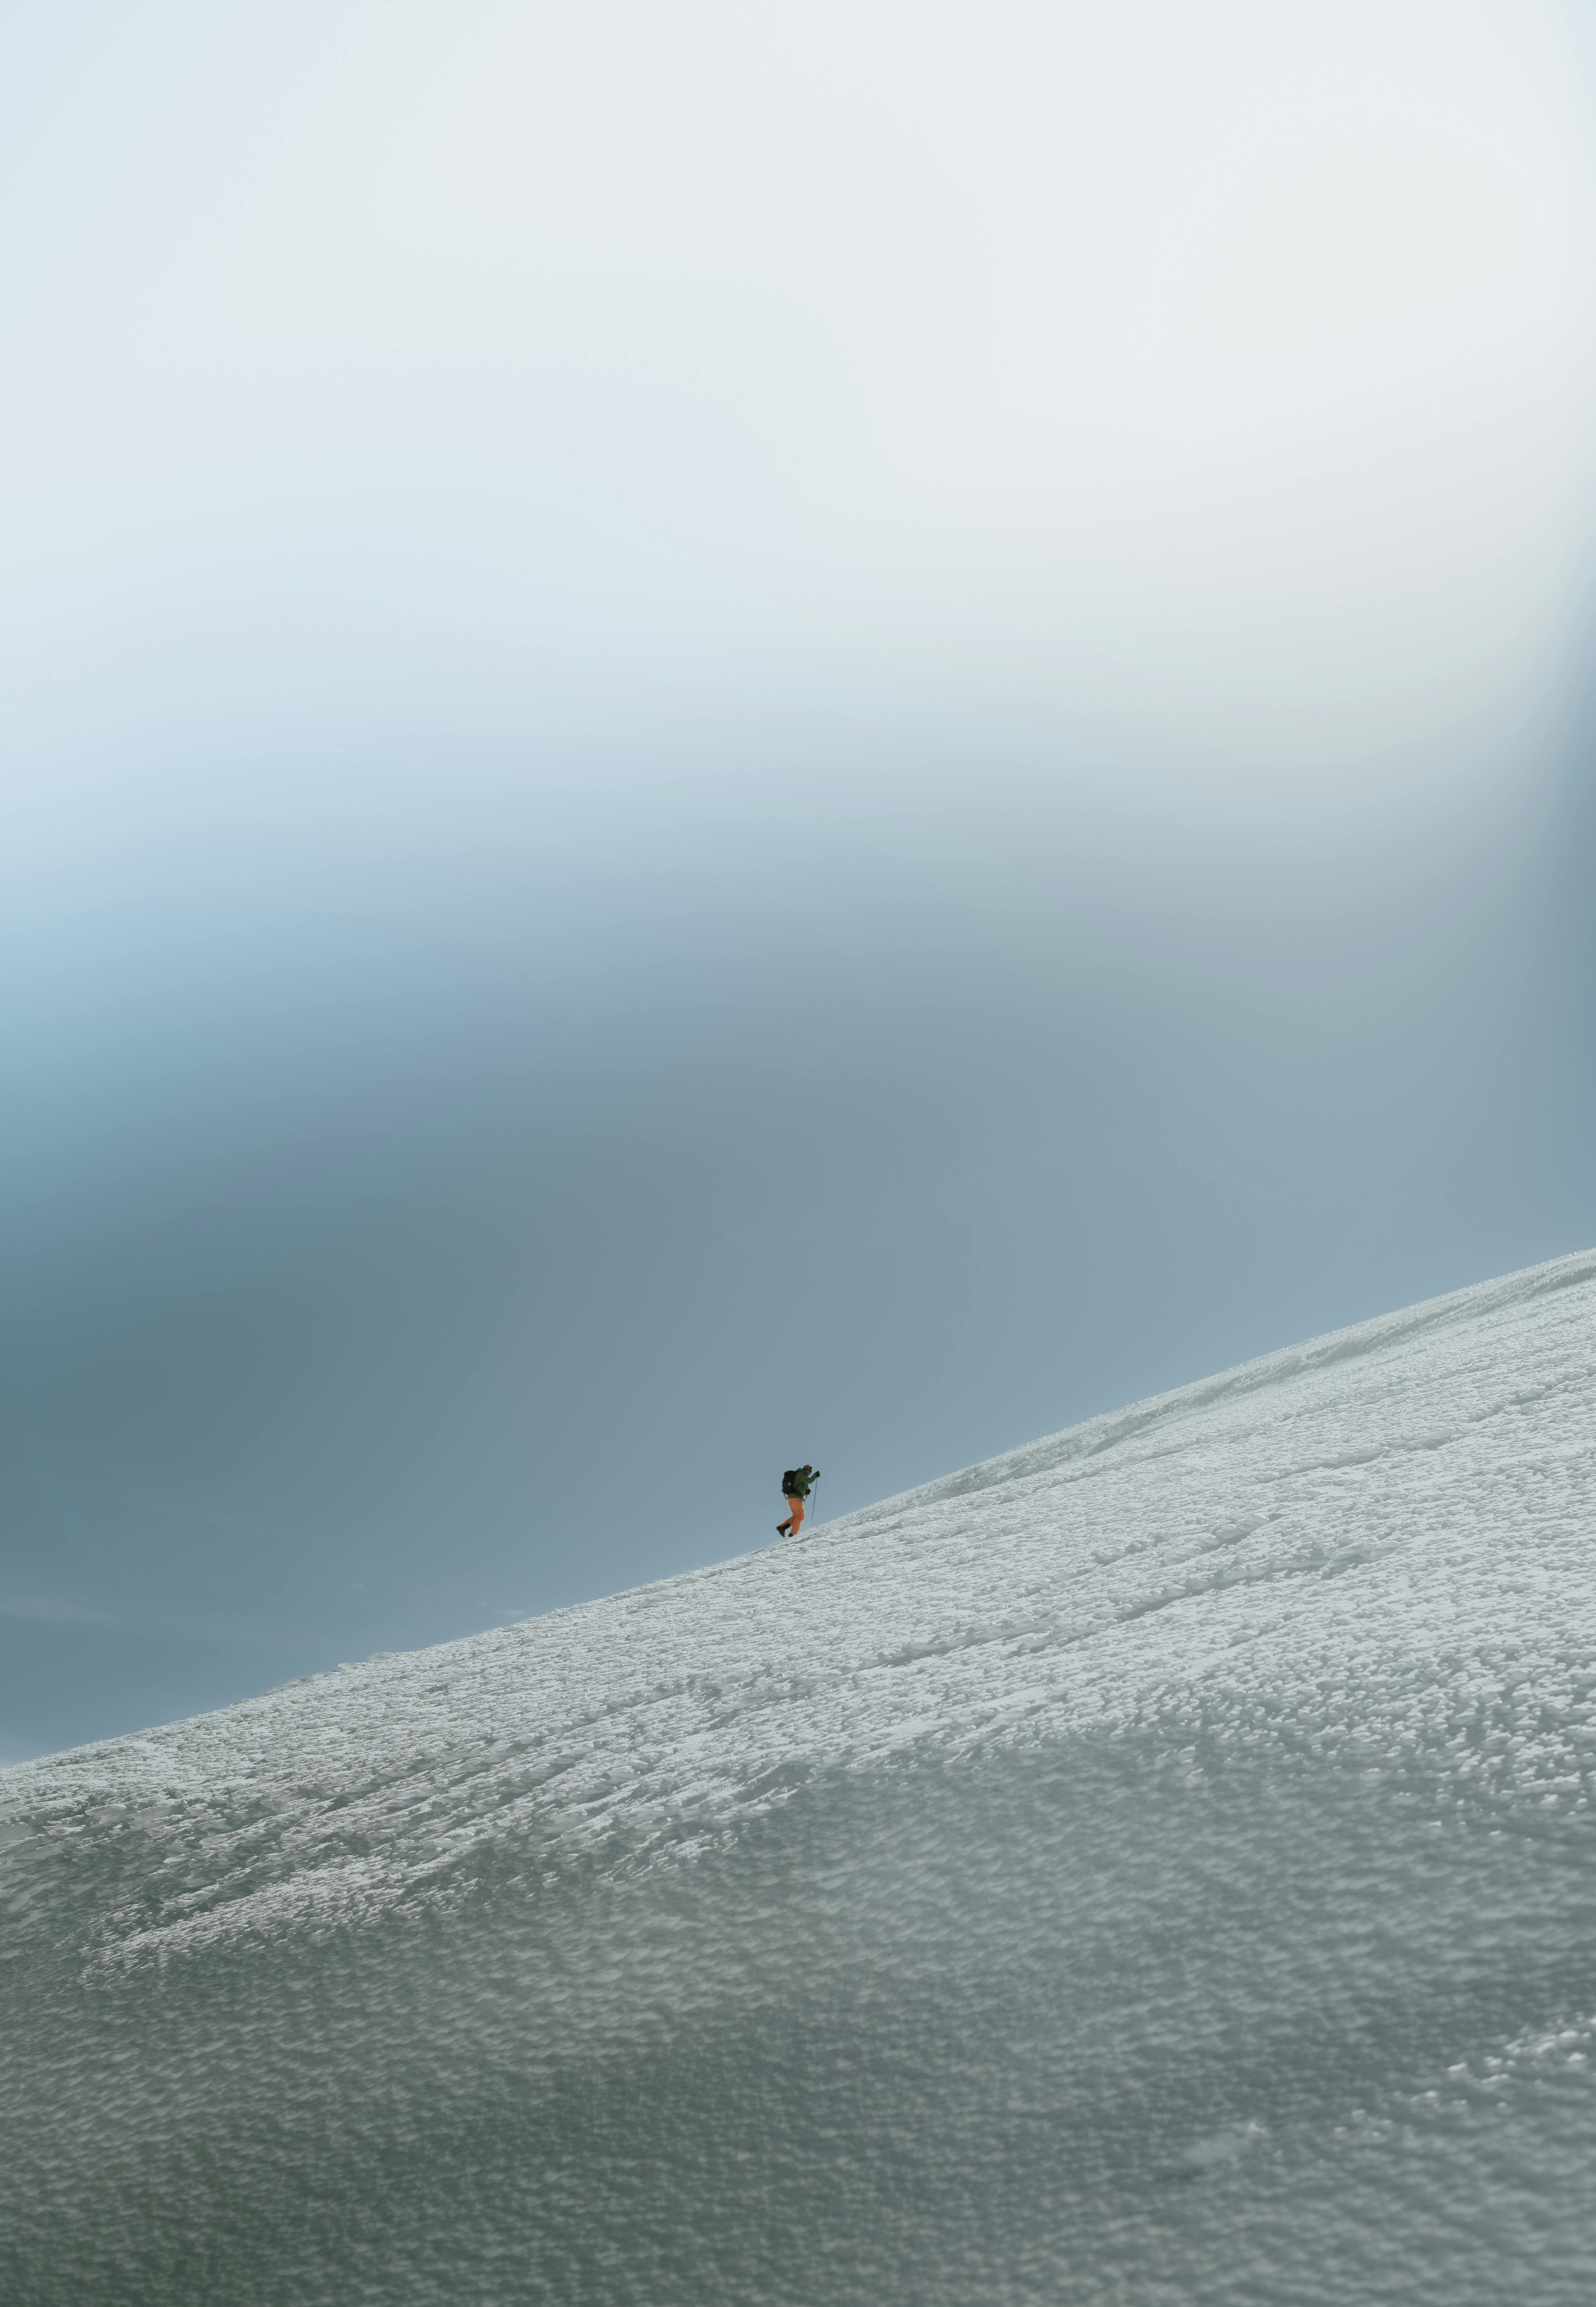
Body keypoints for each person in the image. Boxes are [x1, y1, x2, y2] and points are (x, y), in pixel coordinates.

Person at [777, 1465, 819, 1537]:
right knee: (800, 1516)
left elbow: (801, 1487)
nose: (810, 1473)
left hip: (793, 1498)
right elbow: (809, 1481)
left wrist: (807, 1492)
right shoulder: (801, 1474)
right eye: (810, 1471)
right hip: (795, 1498)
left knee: (797, 1516)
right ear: (806, 1470)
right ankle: (793, 1534)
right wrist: (815, 1475)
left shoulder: (802, 1476)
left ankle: (782, 1528)